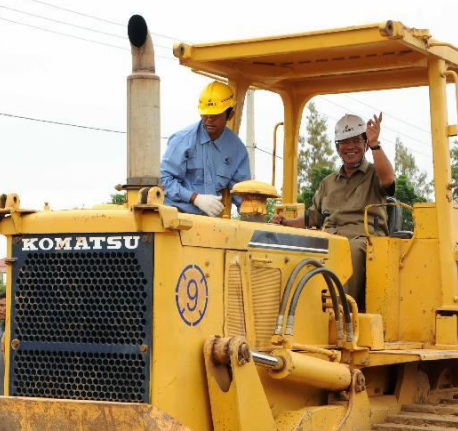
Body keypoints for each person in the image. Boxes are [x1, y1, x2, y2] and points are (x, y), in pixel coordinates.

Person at [271, 113, 395, 309]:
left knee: (350, 251)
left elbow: (388, 180)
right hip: (329, 236)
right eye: (344, 142)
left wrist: (375, 144)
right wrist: (285, 224)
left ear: (364, 144)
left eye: (356, 141)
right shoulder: (328, 182)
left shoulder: (374, 173)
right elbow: (312, 217)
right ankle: (294, 310)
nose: (350, 147)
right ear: (337, 147)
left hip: (364, 239)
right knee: (297, 249)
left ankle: (341, 312)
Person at [161, 81, 251, 217]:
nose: (209, 120)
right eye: (205, 114)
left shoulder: (237, 150)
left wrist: (254, 215)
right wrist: (195, 198)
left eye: (215, 115)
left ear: (230, 115)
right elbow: (163, 179)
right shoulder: (183, 140)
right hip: (176, 218)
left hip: (212, 224)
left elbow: (243, 197)